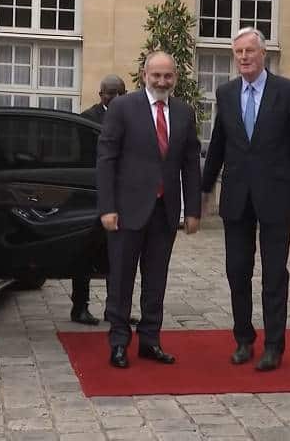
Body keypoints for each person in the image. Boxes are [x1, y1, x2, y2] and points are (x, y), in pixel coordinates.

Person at [202, 27, 290, 372]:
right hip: (236, 197)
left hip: (276, 196)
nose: (244, 57)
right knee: (237, 271)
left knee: (274, 274)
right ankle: (243, 338)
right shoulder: (227, 93)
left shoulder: (288, 92)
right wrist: (205, 190)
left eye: (250, 51)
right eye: (238, 52)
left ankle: (274, 345)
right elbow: (219, 144)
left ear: (263, 54)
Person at [97, 51, 201, 368]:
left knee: (156, 280)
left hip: (164, 211)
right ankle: (118, 342)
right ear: (144, 75)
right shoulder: (122, 108)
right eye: (156, 75)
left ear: (175, 79)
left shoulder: (184, 113)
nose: (161, 81)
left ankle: (150, 340)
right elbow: (106, 160)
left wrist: (193, 209)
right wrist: (107, 207)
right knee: (121, 279)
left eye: (168, 76)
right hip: (126, 211)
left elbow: (190, 165)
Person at [68, 74, 128, 326]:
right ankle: (79, 307)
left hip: (122, 197)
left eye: (117, 93)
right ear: (100, 93)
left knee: (118, 256)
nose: (112, 98)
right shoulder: (86, 119)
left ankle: (114, 310)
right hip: (91, 196)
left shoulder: (132, 118)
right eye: (108, 93)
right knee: (84, 254)